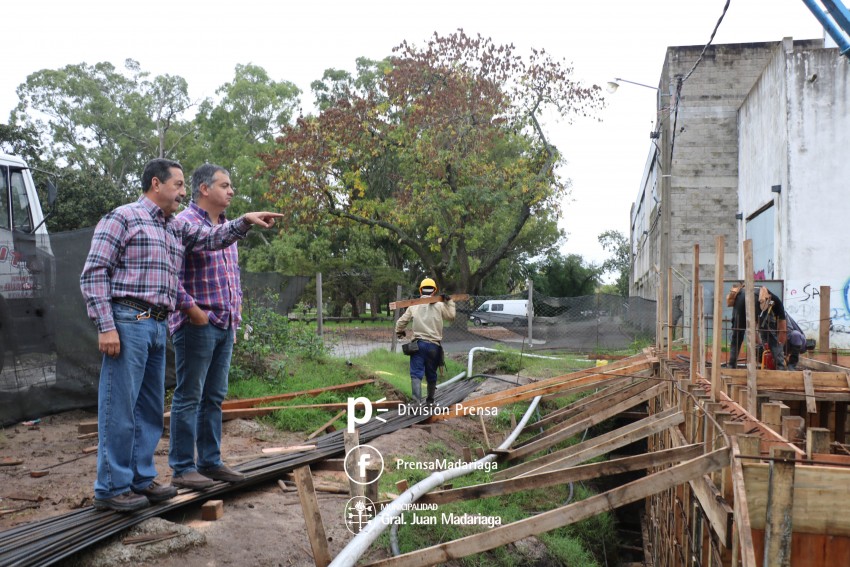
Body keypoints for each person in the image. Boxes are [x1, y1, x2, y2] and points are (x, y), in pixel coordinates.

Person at [80, 158, 281, 512]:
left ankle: (141, 480)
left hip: (157, 323)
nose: (183, 193)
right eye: (178, 186)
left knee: (150, 410)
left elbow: (213, 237)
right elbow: (94, 273)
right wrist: (106, 325)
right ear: (156, 184)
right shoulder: (123, 217)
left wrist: (244, 222)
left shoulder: (174, 228)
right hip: (128, 320)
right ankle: (111, 487)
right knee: (120, 408)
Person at [167, 164, 245, 491]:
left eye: (231, 186)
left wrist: (235, 319)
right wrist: (193, 310)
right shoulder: (183, 223)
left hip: (224, 324)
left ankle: (209, 462)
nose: (231, 191)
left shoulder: (225, 226)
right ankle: (183, 467)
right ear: (204, 189)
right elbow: (170, 274)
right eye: (225, 185)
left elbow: (232, 279)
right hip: (197, 324)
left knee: (214, 396)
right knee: (189, 396)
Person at [395, 278, 455, 404]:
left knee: (416, 374)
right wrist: (450, 301)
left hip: (418, 346)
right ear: (434, 291)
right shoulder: (440, 305)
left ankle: (416, 402)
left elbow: (401, 322)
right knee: (431, 373)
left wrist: (399, 332)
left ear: (421, 289)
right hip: (434, 346)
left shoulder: (414, 305)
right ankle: (430, 401)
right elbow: (451, 317)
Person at [727, 285, 788, 370]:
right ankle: (780, 367)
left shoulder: (773, 302)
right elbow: (783, 329)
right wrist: (780, 345)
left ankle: (731, 365)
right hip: (759, 297)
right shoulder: (778, 304)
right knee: (770, 336)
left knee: (737, 334)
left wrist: (759, 342)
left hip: (740, 296)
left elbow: (754, 328)